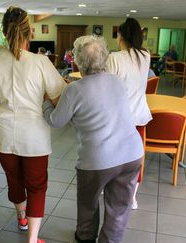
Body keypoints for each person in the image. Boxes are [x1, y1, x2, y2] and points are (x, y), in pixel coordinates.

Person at [0, 7, 65, 243]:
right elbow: (58, 100)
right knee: (36, 186)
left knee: (13, 179)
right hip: (34, 136)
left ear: (4, 31)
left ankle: (21, 218)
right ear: (30, 33)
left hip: (3, 134)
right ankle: (32, 240)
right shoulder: (41, 62)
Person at [43, 35, 143, 243]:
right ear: (104, 58)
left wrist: (45, 103)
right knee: (118, 208)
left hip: (98, 160)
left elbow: (56, 120)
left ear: (77, 61)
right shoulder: (116, 81)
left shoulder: (73, 90)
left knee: (88, 204)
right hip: (132, 154)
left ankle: (86, 238)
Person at [106, 17, 152, 210]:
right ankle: (132, 198)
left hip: (118, 119)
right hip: (139, 117)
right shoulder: (146, 55)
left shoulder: (114, 58)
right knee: (135, 159)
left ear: (121, 36)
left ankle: (108, 189)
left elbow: (106, 86)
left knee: (111, 157)